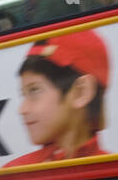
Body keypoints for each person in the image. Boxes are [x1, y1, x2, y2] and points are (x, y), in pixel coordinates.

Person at [6, 30, 111, 167]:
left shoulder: (18, 172)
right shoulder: (16, 171)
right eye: (23, 94)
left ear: (81, 92)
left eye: (34, 90)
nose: (22, 109)